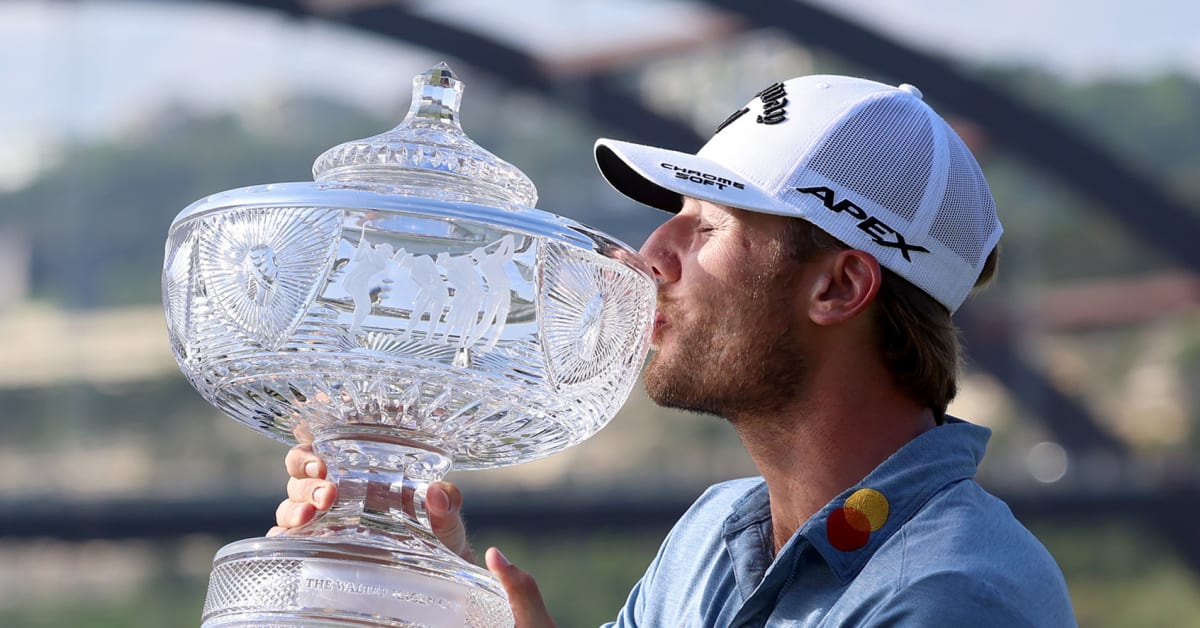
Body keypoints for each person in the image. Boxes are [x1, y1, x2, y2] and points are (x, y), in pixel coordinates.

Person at [272, 75, 1077, 626]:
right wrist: (428, 583)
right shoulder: (715, 533)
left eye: (711, 224)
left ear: (838, 287)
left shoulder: (955, 595)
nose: (652, 253)